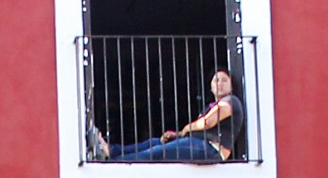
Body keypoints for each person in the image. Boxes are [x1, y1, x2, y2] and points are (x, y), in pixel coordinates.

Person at [96, 69, 244, 162]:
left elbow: (207, 123)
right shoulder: (211, 105)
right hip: (198, 143)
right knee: (153, 143)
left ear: (231, 85)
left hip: (212, 149)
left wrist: (185, 129)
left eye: (224, 80)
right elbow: (200, 128)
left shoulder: (230, 101)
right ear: (211, 86)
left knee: (157, 152)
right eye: (216, 80)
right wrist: (177, 135)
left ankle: (115, 161)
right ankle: (112, 150)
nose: (220, 83)